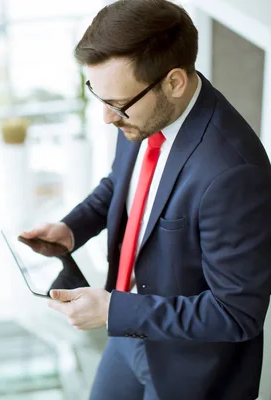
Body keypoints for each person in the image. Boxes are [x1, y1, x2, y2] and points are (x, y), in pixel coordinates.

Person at [20, 1, 271, 399]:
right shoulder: (142, 110)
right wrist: (72, 228)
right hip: (128, 334)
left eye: (115, 105)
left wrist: (113, 310)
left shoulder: (231, 173)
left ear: (174, 82)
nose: (105, 117)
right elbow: (123, 184)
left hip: (190, 371)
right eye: (97, 96)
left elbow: (237, 313)